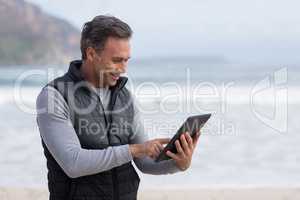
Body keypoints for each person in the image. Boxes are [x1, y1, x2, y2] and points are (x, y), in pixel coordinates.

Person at [36, 15, 201, 200]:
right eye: (116, 60)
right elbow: (73, 163)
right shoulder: (54, 96)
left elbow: (145, 163)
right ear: (91, 54)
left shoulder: (125, 97)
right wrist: (135, 149)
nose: (123, 69)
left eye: (126, 60)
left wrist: (178, 164)